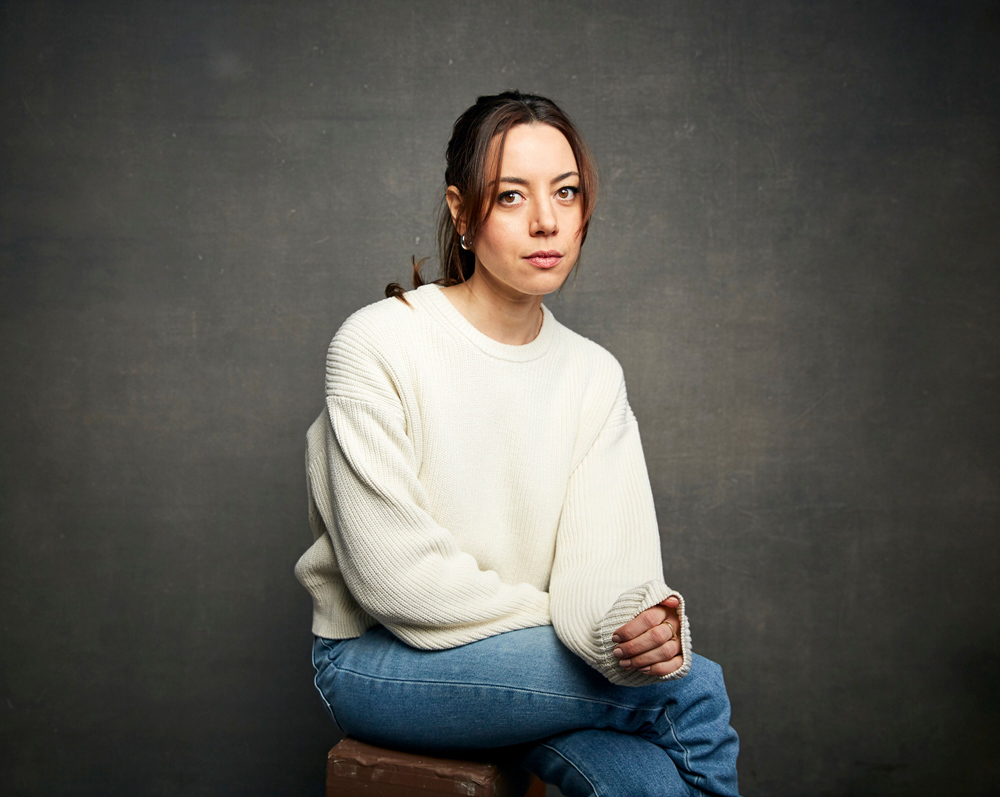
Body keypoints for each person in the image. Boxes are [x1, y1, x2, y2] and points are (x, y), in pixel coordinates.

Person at [295, 90, 740, 797]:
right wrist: (584, 630)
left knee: (648, 785)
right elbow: (397, 579)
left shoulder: (594, 375)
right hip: (380, 662)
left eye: (566, 192)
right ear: (461, 211)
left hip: (525, 665)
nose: (547, 221)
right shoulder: (377, 343)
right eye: (510, 196)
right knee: (695, 686)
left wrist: (628, 621)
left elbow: (610, 567)